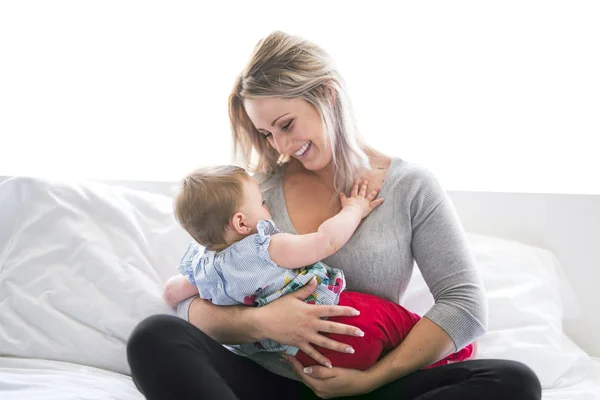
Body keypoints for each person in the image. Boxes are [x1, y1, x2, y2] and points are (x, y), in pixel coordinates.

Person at [127, 30, 542, 399]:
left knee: (514, 382)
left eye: (286, 124)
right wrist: (261, 323)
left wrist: (373, 379)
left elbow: (465, 305)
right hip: (267, 380)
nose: (282, 146)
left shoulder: (409, 186)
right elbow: (191, 300)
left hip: (370, 384)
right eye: (268, 134)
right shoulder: (255, 196)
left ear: (327, 94)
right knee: (154, 337)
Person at [162, 165, 474, 371]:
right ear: (241, 222)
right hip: (339, 321)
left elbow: (173, 292)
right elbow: (326, 241)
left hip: (302, 354)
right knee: (394, 320)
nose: (266, 207)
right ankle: (456, 353)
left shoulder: (202, 266)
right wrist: (353, 209)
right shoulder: (266, 247)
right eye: (260, 203)